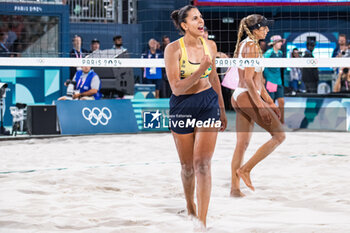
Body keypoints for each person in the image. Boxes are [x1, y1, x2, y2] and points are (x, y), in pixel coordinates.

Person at [165, 5, 227, 227]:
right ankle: (190, 206)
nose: (200, 21)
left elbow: (215, 79)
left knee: (203, 164)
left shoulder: (210, 45)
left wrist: (221, 107)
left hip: (207, 103)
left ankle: (202, 220)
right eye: (194, 18)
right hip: (182, 105)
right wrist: (200, 70)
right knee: (187, 166)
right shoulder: (173, 49)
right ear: (184, 25)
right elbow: (176, 88)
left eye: (200, 17)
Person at [230, 14, 285, 197]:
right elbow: (249, 81)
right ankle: (245, 170)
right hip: (246, 95)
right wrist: (261, 107)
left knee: (242, 145)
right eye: (265, 27)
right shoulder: (252, 46)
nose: (268, 30)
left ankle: (235, 189)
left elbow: (258, 82)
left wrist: (269, 102)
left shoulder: (247, 44)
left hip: (238, 95)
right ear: (255, 29)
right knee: (279, 136)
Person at [263, 35, 285, 124]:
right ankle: (271, 121)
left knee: (281, 102)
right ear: (274, 43)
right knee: (270, 103)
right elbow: (262, 65)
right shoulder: (269, 53)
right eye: (279, 42)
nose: (281, 43)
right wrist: (263, 78)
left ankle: (282, 121)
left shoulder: (280, 53)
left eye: (281, 42)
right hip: (270, 81)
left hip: (278, 80)